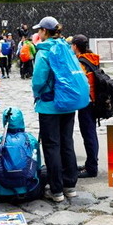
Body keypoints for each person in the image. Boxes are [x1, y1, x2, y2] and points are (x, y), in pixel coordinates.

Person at [31, 16, 80, 202]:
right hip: (68, 104)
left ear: (44, 31)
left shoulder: (44, 52)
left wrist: (37, 94)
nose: (37, 33)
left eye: (39, 30)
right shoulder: (67, 48)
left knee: (51, 146)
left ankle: (56, 190)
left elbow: (38, 81)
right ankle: (70, 186)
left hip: (49, 106)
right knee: (67, 143)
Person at [0, 108, 43, 203]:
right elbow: (37, 166)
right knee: (44, 170)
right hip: (31, 191)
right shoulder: (30, 139)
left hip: (2, 194)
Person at [70, 34, 99, 179]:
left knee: (88, 135)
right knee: (91, 133)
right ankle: (91, 163)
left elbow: (78, 83)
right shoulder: (91, 58)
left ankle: (92, 168)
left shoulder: (81, 63)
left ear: (75, 46)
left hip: (86, 103)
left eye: (72, 45)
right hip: (93, 101)